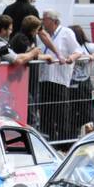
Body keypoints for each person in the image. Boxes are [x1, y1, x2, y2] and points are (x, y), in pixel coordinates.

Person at [37, 9, 79, 140]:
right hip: (44, 79)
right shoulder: (41, 35)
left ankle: (64, 142)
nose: (42, 21)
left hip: (59, 79)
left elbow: (78, 50)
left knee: (61, 113)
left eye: (45, 19)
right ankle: (49, 140)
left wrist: (71, 58)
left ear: (54, 21)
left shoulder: (66, 33)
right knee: (45, 113)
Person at [69, 24, 94, 134]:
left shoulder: (87, 46)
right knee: (71, 112)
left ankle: (90, 133)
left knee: (90, 112)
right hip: (70, 84)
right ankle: (73, 134)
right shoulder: (68, 47)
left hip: (85, 84)